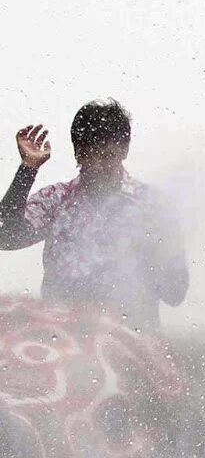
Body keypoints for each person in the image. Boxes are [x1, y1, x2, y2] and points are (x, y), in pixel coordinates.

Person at [0, 99, 188, 328]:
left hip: (129, 346)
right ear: (77, 153)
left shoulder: (152, 206)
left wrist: (151, 251)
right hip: (61, 344)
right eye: (91, 155)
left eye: (107, 155)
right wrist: (27, 170)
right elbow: (5, 236)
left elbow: (176, 293)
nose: (99, 165)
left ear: (124, 150)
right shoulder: (56, 200)